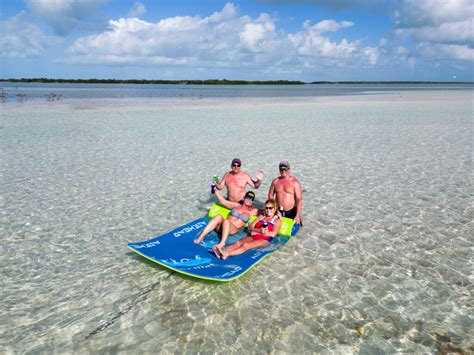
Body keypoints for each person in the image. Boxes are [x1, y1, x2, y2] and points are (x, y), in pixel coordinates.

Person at [215, 199, 281, 260]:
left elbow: (273, 234)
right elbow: (250, 227)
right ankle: (223, 251)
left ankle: (227, 254)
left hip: (265, 239)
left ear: (275, 209)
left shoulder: (276, 220)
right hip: (254, 236)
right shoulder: (261, 217)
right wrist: (259, 230)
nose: (268, 210)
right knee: (238, 242)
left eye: (270, 208)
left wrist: (258, 232)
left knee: (246, 245)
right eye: (266, 208)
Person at [194, 187, 259, 249]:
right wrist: (215, 190)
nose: (249, 200)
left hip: (232, 230)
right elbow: (223, 201)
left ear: (252, 201)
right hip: (221, 227)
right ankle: (200, 237)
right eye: (247, 198)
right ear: (244, 198)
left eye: (251, 199)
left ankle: (222, 243)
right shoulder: (236, 205)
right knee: (219, 216)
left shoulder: (252, 211)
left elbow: (265, 210)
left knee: (226, 221)